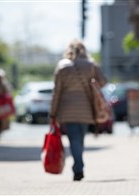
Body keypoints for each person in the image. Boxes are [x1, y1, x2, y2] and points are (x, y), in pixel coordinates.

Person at [49, 39, 107, 181]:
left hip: (67, 110)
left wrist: (53, 112)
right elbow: (104, 81)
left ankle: (78, 167)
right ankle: (78, 166)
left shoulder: (62, 66)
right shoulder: (90, 65)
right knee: (79, 139)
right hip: (87, 108)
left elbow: (57, 92)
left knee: (74, 139)